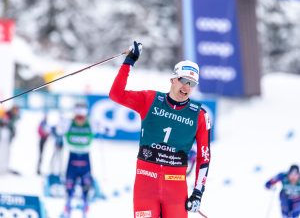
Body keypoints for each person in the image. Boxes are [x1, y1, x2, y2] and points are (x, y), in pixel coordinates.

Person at [109, 41, 211, 218]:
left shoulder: (200, 115)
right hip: (145, 185)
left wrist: (198, 192)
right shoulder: (149, 100)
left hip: (176, 189)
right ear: (173, 79)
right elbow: (116, 94)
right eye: (183, 80)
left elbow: (204, 157)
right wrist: (129, 62)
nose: (186, 87)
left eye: (192, 83)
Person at [63, 103, 94, 217]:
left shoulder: (91, 123)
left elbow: (108, 130)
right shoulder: (68, 123)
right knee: (69, 183)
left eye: (82, 117)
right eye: (78, 117)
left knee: (86, 184)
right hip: (72, 156)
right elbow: (57, 129)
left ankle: (85, 205)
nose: (80, 120)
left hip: (85, 157)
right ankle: (68, 204)